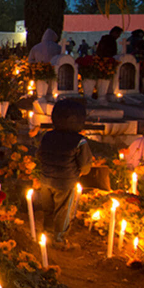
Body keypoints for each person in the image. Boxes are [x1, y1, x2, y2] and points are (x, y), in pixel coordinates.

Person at [36, 98, 93, 249]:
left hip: (46, 179)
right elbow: (85, 164)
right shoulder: (79, 141)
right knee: (63, 210)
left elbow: (39, 155)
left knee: (48, 208)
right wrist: (80, 172)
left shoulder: (47, 136)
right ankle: (59, 238)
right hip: (65, 182)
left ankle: (47, 233)